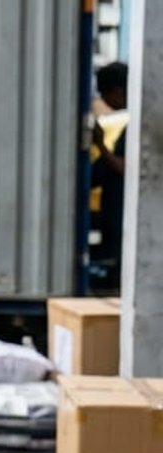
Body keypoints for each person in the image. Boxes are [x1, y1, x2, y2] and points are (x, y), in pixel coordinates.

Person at [92, 62, 129, 288]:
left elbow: (127, 168)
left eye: (105, 94)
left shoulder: (137, 125)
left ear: (116, 91)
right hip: (115, 209)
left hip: (121, 212)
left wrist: (100, 145)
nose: (104, 101)